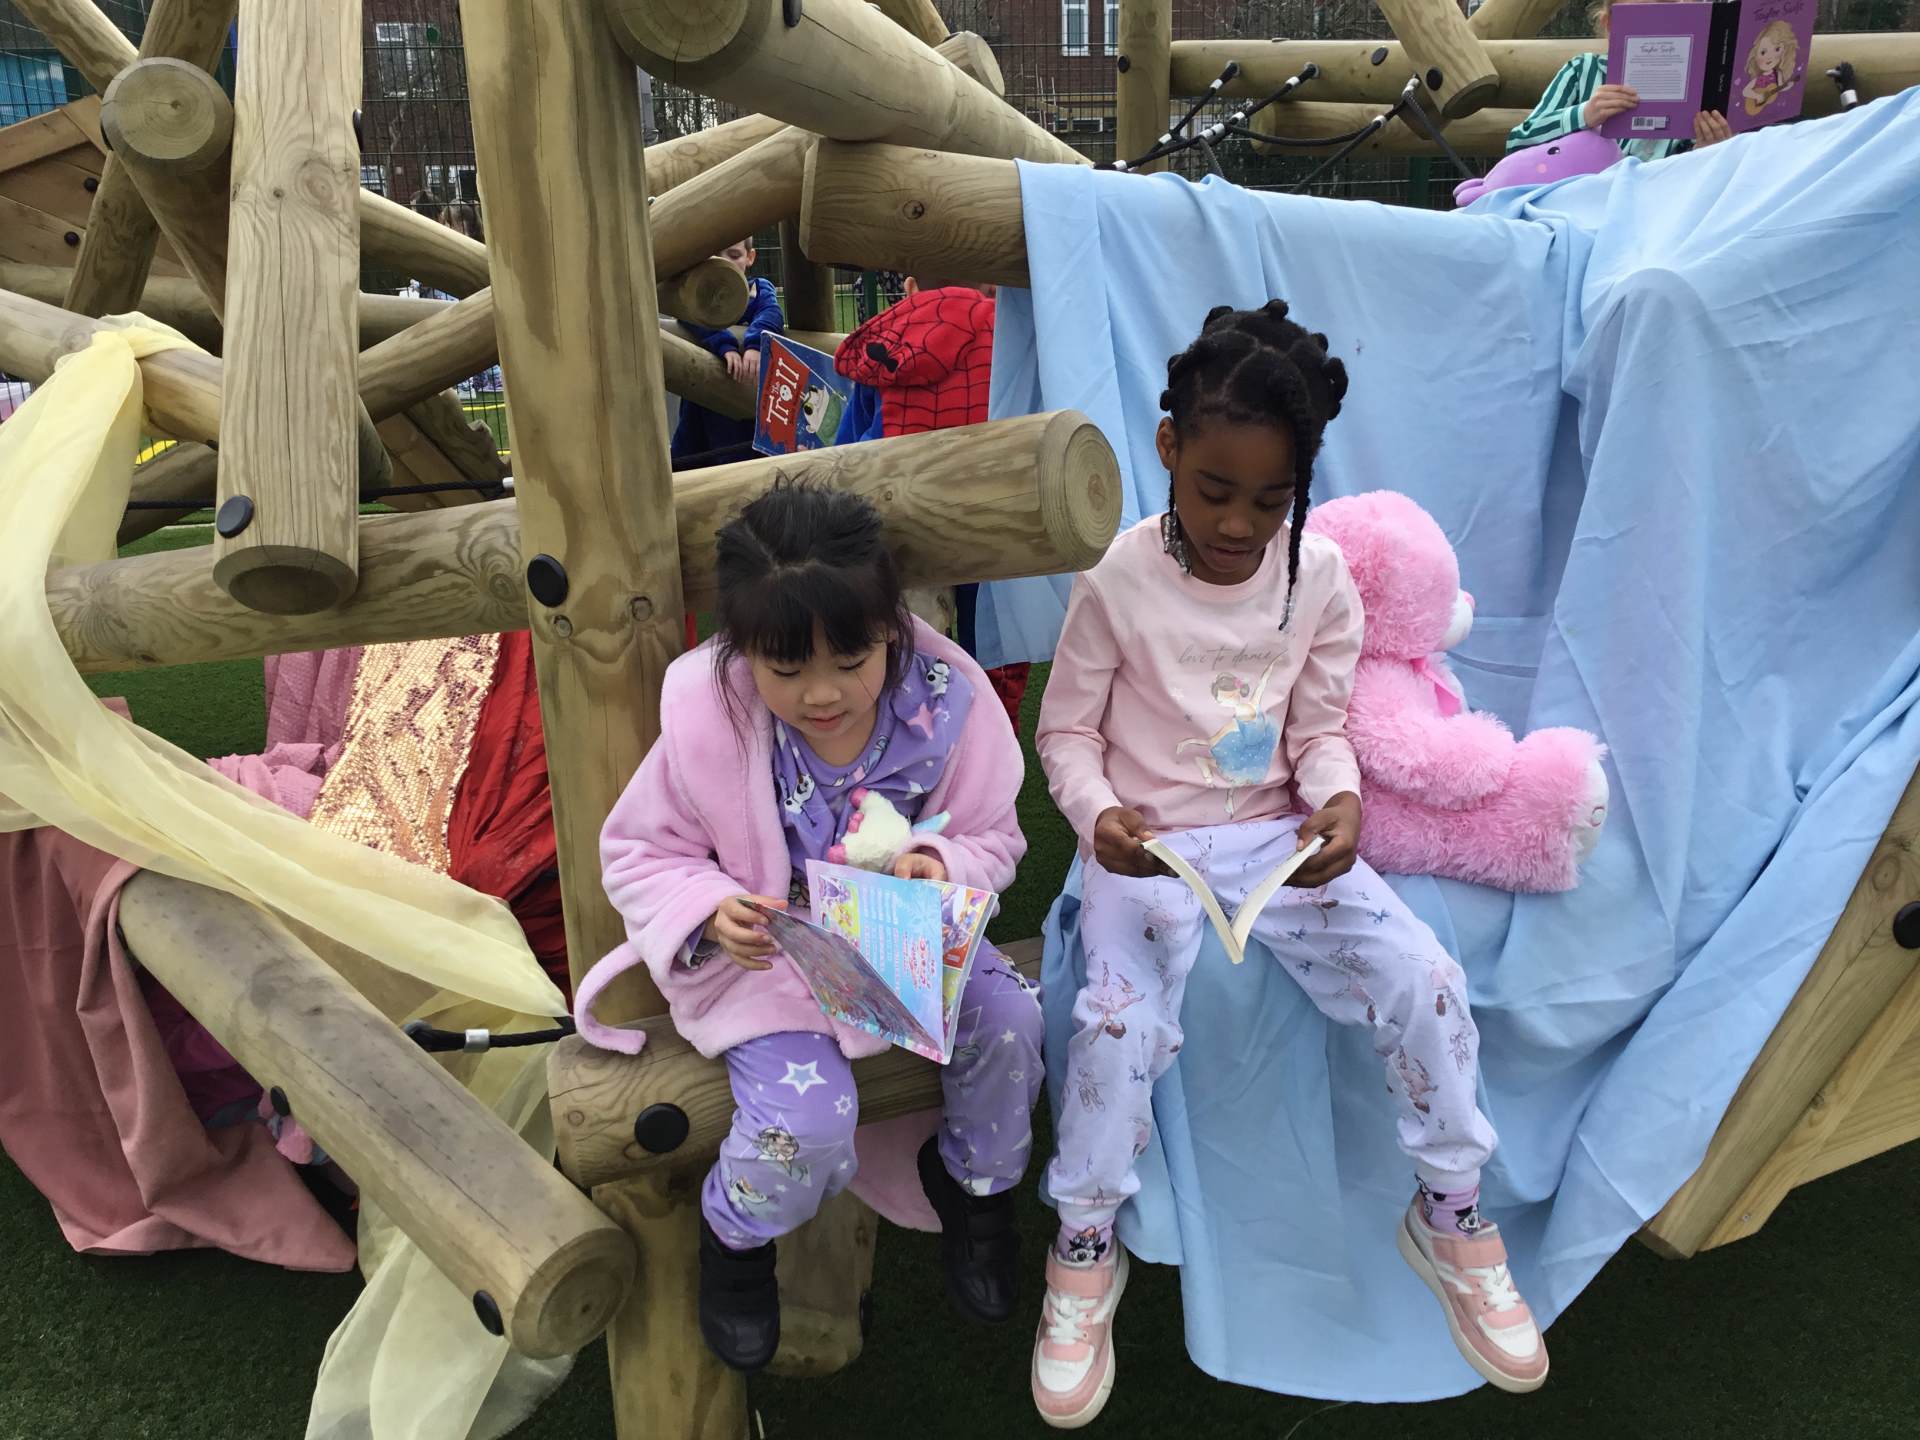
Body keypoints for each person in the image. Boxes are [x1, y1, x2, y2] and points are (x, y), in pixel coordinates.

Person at [1028, 301, 1548, 1428]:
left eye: (1272, 500)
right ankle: (1085, 1240)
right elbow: (1065, 731)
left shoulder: (1319, 577)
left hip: (1279, 845)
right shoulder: (1117, 578)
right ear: (1168, 449)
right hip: (1149, 850)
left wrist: (1340, 800)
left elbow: (1318, 729)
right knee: (1112, 1022)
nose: (1239, 524)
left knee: (1426, 975)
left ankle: (1451, 1209)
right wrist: (1101, 816)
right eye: (1214, 490)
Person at [582, 482, 1044, 1372]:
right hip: (774, 964)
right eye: (786, 670)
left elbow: (996, 835)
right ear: (742, 649)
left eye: (851, 660)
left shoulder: (945, 705)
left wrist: (941, 864)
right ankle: (737, 1236)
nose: (823, 694)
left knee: (1015, 1022)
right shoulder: (714, 715)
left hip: (906, 941)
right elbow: (640, 851)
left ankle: (978, 1190)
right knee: (807, 1121)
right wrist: (707, 909)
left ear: (893, 628)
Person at [835, 275, 1032, 730]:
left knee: (912, 643)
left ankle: (911, 736)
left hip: (905, 520)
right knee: (995, 643)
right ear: (993, 289)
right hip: (992, 516)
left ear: (909, 286)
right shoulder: (1008, 337)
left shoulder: (887, 334)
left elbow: (847, 453)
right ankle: (993, 732)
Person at [1505, 0, 1733, 159]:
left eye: (1673, 13)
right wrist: (1584, 115)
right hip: (1581, 201)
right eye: (1644, 17)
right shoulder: (1583, 70)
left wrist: (1710, 152)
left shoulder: (1710, 88)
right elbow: (1517, 143)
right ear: (1610, 25)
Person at [671, 236, 785, 468]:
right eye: (715, 256)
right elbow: (691, 317)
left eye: (734, 256)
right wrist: (725, 345)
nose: (724, 264)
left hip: (747, 400)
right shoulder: (698, 295)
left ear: (750, 258)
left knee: (742, 456)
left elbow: (772, 313)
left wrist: (755, 344)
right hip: (705, 400)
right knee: (690, 454)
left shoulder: (759, 290)